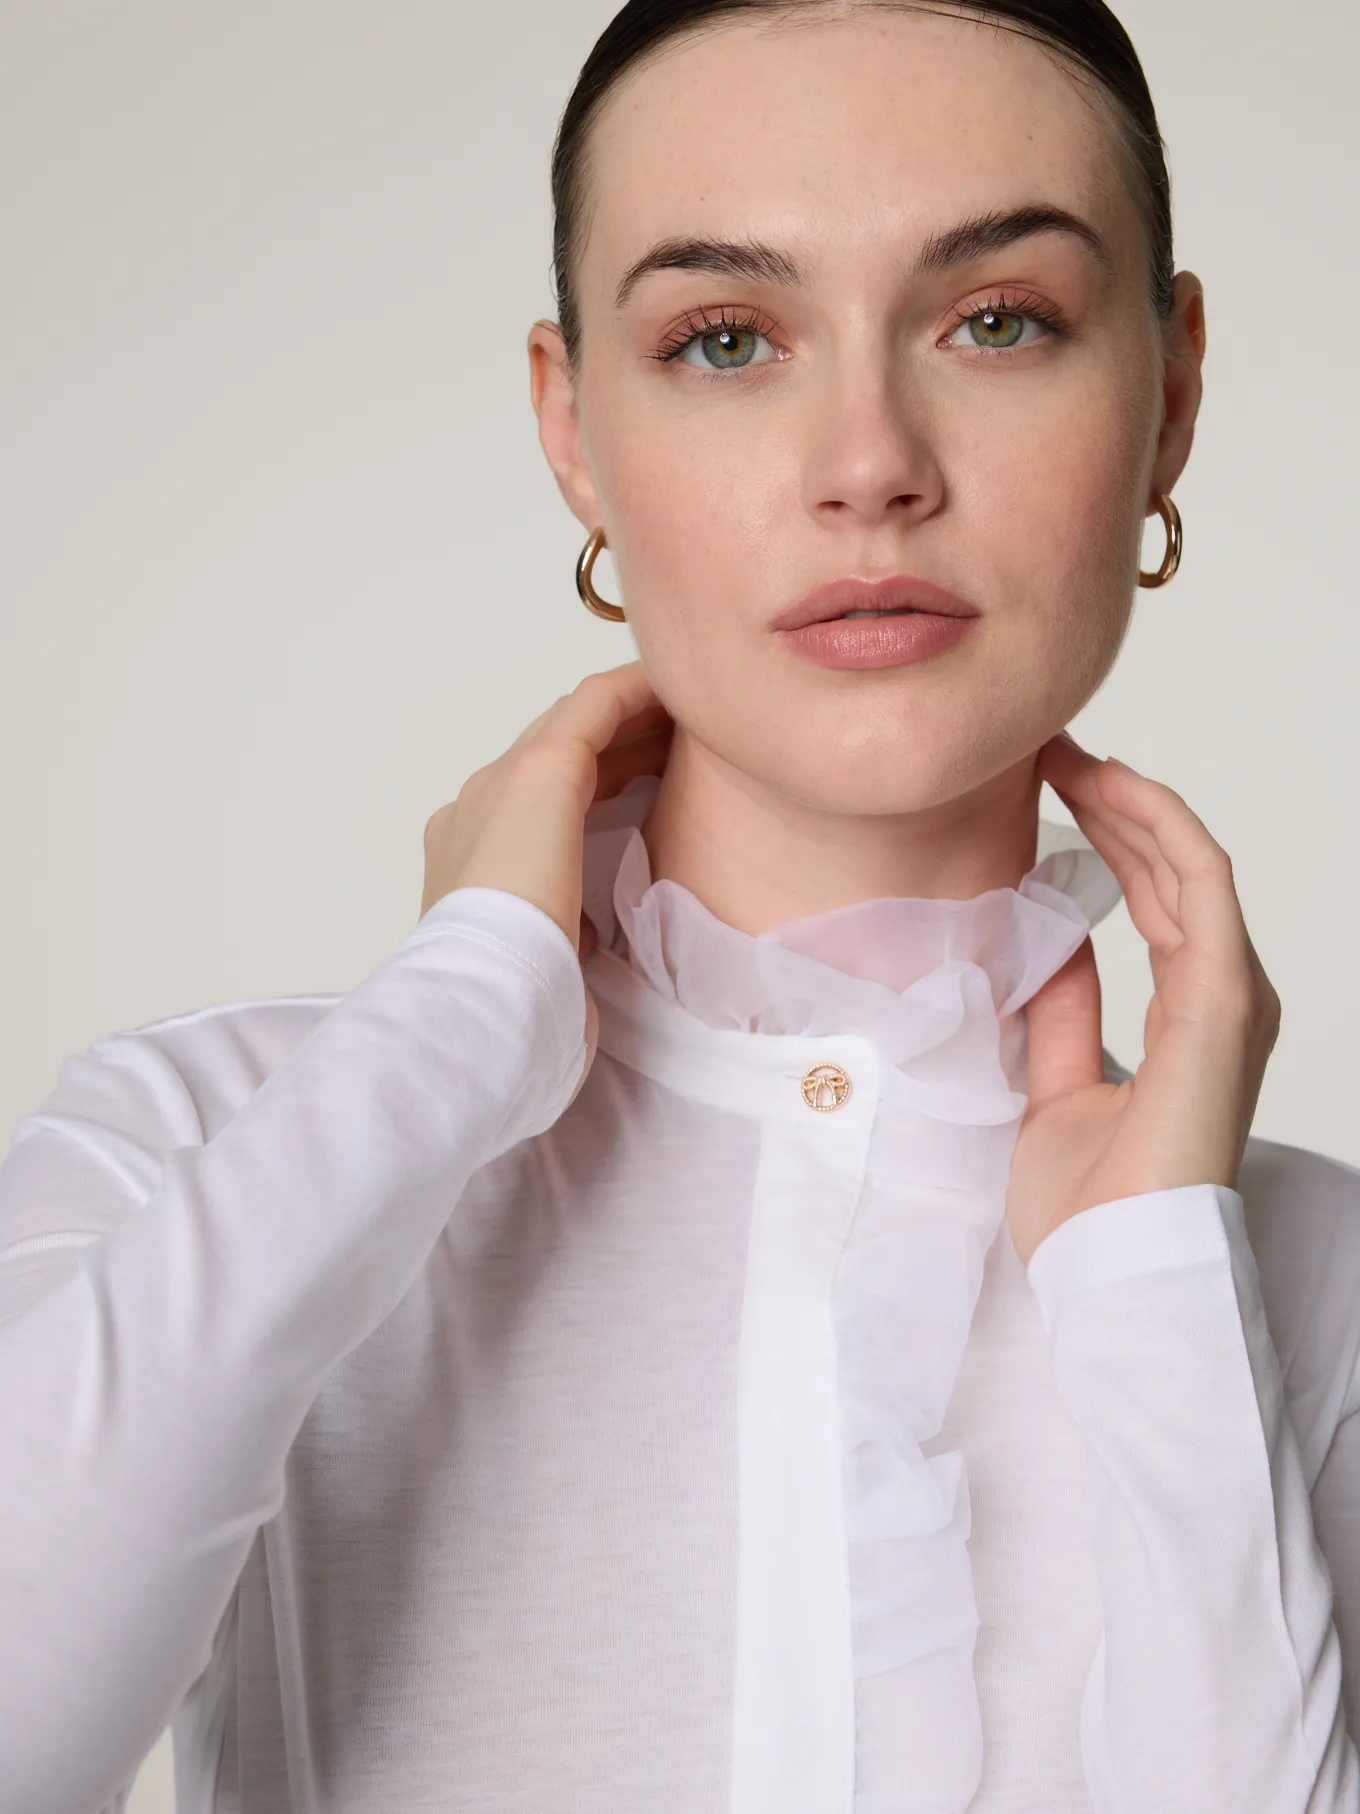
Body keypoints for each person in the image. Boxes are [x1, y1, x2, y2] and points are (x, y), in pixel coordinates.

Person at [2, 1, 1359, 1809]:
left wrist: (1158, 1300)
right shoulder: (205, 1146)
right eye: (726, 338)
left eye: (997, 319)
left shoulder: (1308, 1280)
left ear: (1170, 393)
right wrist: (449, 1030)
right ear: (572, 427)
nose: (868, 460)